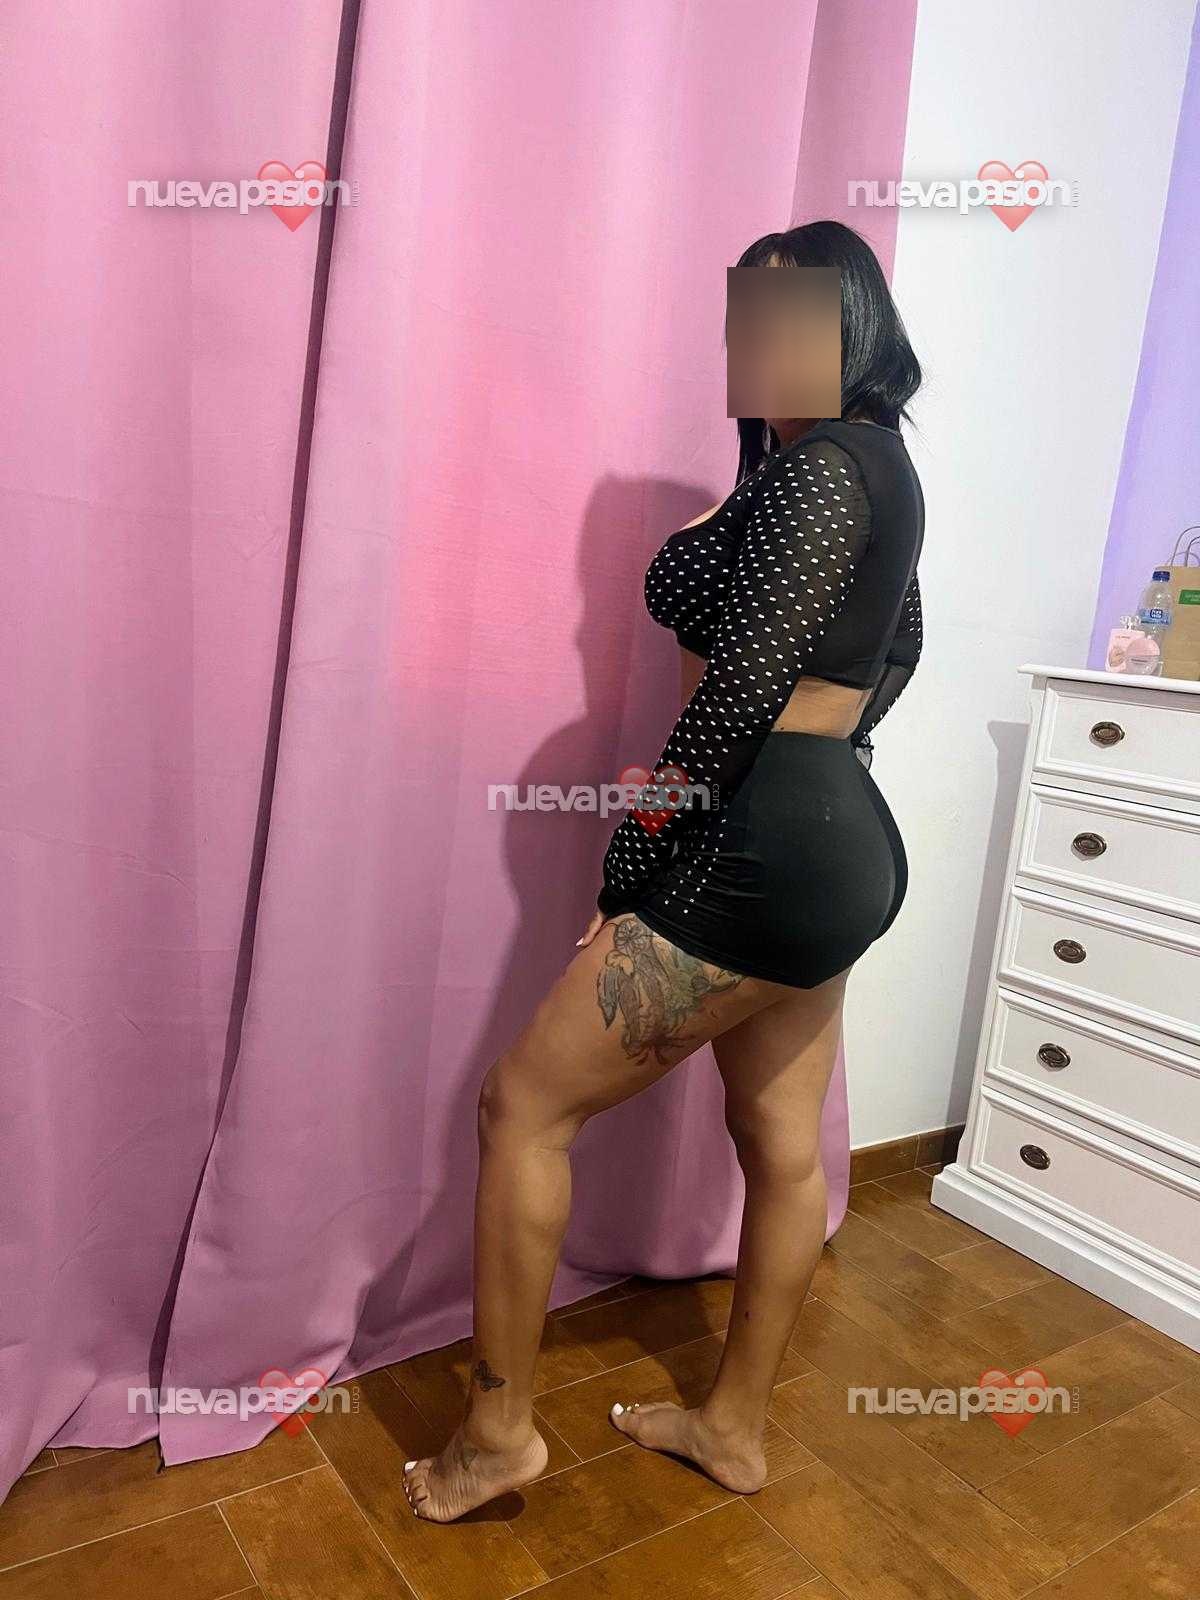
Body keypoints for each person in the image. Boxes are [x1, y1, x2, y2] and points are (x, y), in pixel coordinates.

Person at [403, 220, 924, 1521]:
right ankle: (732, 1431)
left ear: (853, 326)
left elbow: (737, 692)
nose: (755, 343)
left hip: (759, 838)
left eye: (789, 317)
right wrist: (824, 761)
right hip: (834, 842)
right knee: (779, 1141)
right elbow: (903, 643)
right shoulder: (857, 468)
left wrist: (634, 857)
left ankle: (496, 1436)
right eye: (744, 318)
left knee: (523, 1106)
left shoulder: (830, 467)